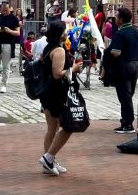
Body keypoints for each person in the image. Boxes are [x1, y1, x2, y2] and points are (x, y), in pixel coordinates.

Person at [39, 19, 85, 177]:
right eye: (65, 31)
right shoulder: (58, 50)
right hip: (55, 93)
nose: (67, 34)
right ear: (60, 34)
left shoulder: (48, 47)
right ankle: (49, 158)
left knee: (52, 128)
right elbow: (57, 74)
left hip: (47, 92)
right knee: (68, 126)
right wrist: (73, 68)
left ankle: (49, 160)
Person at [107, 8, 138, 135]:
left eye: (117, 17)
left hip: (123, 66)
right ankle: (126, 121)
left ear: (121, 19)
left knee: (124, 96)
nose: (115, 19)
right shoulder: (136, 31)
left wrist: (107, 51)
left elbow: (116, 53)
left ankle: (127, 123)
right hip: (135, 64)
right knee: (129, 93)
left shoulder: (120, 33)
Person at [0, 0, 20, 94]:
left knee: (6, 66)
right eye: (3, 10)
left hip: (8, 43)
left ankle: (4, 85)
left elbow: (17, 33)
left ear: (10, 9)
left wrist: (9, 31)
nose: (5, 12)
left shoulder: (14, 19)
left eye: (6, 10)